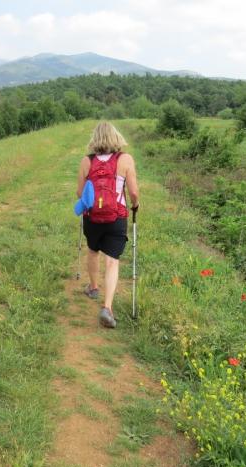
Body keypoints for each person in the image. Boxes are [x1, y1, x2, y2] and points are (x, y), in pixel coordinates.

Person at [77, 121, 139, 328]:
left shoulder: (87, 161)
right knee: (112, 261)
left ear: (95, 138)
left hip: (92, 217)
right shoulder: (125, 159)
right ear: (116, 137)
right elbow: (134, 193)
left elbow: (80, 193)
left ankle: (93, 287)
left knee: (93, 251)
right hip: (116, 217)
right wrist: (135, 205)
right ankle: (107, 307)